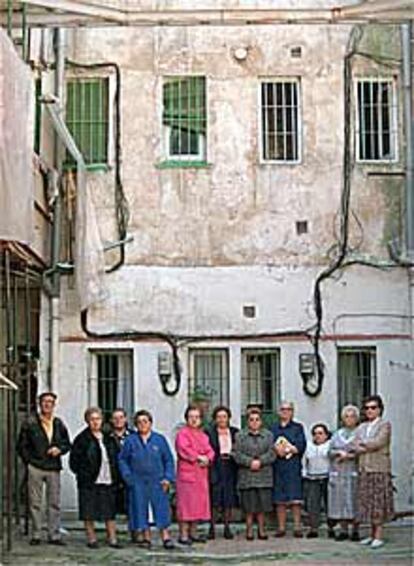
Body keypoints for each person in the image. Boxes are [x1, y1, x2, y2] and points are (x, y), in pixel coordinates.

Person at [17, 391, 71, 546]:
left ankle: (54, 534)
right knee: (35, 502)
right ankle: (36, 533)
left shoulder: (58, 423)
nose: (47, 404)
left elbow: (67, 443)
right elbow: (21, 446)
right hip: (36, 466)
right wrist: (29, 461)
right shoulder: (30, 422)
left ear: (54, 405)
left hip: (53, 467)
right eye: (45, 402)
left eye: (50, 402)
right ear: (40, 404)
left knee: (54, 502)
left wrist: (59, 450)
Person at [118, 409, 175, 550]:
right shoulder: (130, 441)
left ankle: (166, 537)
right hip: (138, 481)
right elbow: (122, 460)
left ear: (150, 423)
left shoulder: (159, 440)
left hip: (157, 481)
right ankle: (146, 537)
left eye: (145, 421)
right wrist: (128, 477)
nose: (142, 424)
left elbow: (168, 460)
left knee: (161, 509)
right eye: (139, 422)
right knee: (141, 508)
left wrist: (168, 478)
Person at [69, 407, 121, 549]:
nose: (95, 422)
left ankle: (113, 539)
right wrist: (84, 474)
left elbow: (116, 456)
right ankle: (91, 539)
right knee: (88, 510)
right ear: (87, 421)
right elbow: (74, 462)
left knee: (109, 510)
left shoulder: (109, 437)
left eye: (97, 419)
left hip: (108, 478)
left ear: (102, 420)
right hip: (89, 480)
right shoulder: (82, 439)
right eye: (92, 419)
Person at [354, 395, 394, 549]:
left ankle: (379, 535)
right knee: (368, 502)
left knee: (378, 502)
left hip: (379, 468)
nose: (370, 410)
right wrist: (364, 445)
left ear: (380, 409)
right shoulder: (362, 426)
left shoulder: (385, 425)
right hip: (364, 468)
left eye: (373, 407)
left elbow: (379, 442)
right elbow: (354, 444)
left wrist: (363, 444)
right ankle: (371, 534)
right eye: (367, 408)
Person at [233, 407, 276, 540]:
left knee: (262, 506)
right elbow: (237, 454)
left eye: (257, 419)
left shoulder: (269, 435)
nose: (254, 422)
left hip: (264, 475)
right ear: (248, 421)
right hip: (247, 475)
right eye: (251, 420)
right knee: (249, 506)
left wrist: (260, 461)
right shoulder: (240, 436)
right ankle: (249, 530)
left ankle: (262, 530)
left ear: (261, 421)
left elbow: (272, 453)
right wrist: (249, 462)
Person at [175, 404, 215, 545]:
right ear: (186, 418)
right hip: (187, 475)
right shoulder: (182, 434)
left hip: (201, 475)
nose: (194, 420)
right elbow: (184, 450)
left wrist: (208, 458)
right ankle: (183, 535)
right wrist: (199, 457)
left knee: (197, 506)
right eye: (191, 417)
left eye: (197, 417)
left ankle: (194, 533)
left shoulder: (203, 436)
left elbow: (210, 451)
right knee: (186, 506)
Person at [271, 400, 306, 537]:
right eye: (283, 409)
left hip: (292, 466)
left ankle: (297, 528)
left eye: (288, 409)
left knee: (295, 499)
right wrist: (276, 450)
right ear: (279, 412)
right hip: (278, 466)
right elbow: (269, 443)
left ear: (292, 412)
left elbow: (301, 445)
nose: (285, 412)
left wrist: (289, 449)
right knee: (280, 499)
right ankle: (281, 528)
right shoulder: (273, 428)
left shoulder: (298, 428)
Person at [206, 405, 239, 540]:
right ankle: (212, 528)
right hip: (216, 464)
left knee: (228, 498)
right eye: (219, 417)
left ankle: (227, 527)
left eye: (224, 417)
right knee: (214, 497)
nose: (221, 419)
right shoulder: (209, 432)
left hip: (230, 465)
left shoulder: (235, 432)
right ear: (215, 419)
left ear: (229, 418)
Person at [328, 404, 360, 541]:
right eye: (346, 416)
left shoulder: (361, 432)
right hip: (339, 471)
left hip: (353, 471)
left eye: (352, 416)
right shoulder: (337, 434)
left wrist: (350, 456)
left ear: (357, 418)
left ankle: (356, 530)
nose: (349, 419)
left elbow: (363, 450)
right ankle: (343, 530)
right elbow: (329, 451)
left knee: (354, 500)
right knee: (340, 501)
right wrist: (337, 453)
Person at [303, 423, 334, 538]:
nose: (317, 436)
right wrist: (305, 474)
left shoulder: (330, 445)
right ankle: (313, 529)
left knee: (329, 505)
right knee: (313, 505)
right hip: (312, 478)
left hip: (327, 477)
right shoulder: (308, 445)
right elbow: (304, 461)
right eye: (315, 434)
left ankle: (331, 528)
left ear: (326, 435)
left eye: (320, 433)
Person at [109, 408, 132, 517]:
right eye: (115, 418)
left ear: (126, 419)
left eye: (121, 417)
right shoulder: (106, 437)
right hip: (112, 476)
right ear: (111, 420)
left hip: (130, 476)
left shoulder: (133, 436)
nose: (118, 420)